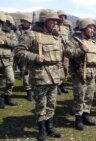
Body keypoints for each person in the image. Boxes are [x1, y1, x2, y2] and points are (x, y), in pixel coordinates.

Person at [15, 9, 63, 140]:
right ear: (44, 20)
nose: (55, 23)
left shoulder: (55, 37)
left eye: (56, 21)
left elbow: (59, 58)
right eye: (52, 20)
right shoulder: (31, 35)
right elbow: (19, 51)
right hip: (40, 76)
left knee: (51, 103)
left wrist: (61, 75)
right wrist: (35, 56)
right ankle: (41, 130)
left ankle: (50, 127)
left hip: (54, 76)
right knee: (41, 104)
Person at [64, 18, 96, 130]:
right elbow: (67, 52)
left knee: (89, 96)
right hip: (80, 73)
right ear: (84, 28)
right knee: (79, 97)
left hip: (92, 73)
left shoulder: (93, 41)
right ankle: (78, 118)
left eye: (93, 28)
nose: (92, 30)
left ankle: (86, 115)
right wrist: (81, 51)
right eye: (90, 28)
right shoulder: (74, 40)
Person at [0, 12, 18, 109]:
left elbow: (15, 43)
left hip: (7, 61)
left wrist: (5, 41)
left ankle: (7, 97)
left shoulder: (9, 32)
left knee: (11, 80)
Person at [17, 14, 34, 101]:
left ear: (29, 22)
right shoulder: (18, 31)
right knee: (25, 74)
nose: (23, 23)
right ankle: (29, 92)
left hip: (33, 57)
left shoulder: (34, 32)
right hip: (22, 57)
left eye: (25, 22)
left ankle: (33, 90)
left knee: (34, 74)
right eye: (23, 21)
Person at [56, 10, 71, 94]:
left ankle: (62, 84)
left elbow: (69, 40)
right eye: (60, 17)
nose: (62, 19)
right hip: (56, 52)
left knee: (65, 68)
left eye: (64, 17)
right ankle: (57, 85)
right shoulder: (53, 27)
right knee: (58, 68)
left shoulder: (66, 28)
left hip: (65, 52)